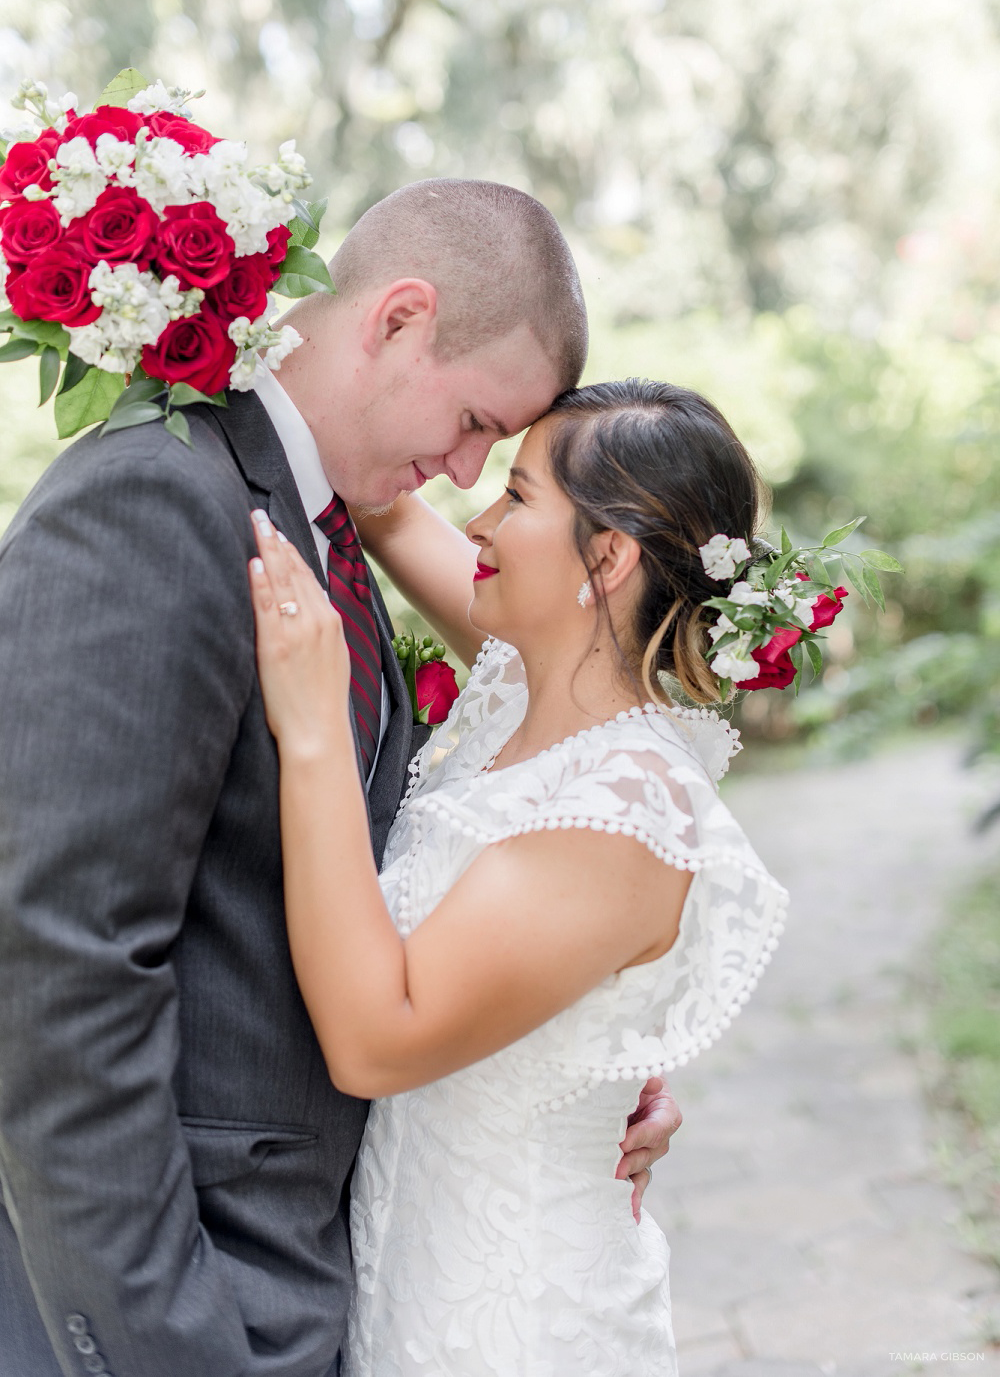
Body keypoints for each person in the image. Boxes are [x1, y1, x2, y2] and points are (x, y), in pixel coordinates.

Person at [0, 181, 678, 1377]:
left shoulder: (327, 526)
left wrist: (574, 1065)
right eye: (475, 420)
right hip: (191, 1301)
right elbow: (59, 962)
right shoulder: (154, 499)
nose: (468, 471)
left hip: (337, 1270)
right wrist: (167, 1344)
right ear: (399, 317)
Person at [247, 378, 790, 1376]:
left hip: (519, 1325)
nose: (479, 516)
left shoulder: (622, 807)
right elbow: (381, 490)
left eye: (520, 494)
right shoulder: (518, 689)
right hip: (410, 1281)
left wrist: (316, 726)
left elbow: (375, 1045)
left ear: (610, 557)